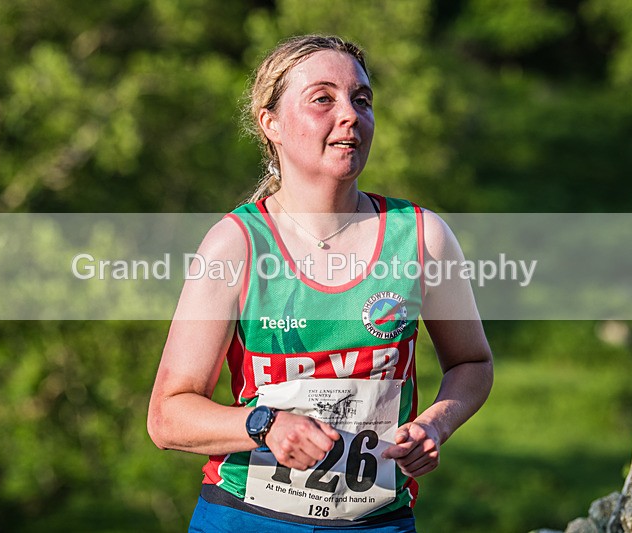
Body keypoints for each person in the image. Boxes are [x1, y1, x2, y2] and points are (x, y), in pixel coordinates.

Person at [147, 35, 494, 532]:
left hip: (379, 522)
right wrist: (263, 425)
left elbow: (473, 363)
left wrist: (437, 423)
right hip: (248, 519)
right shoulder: (236, 244)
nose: (350, 114)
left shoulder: (421, 236)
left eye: (362, 99)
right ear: (272, 124)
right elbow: (167, 417)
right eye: (323, 99)